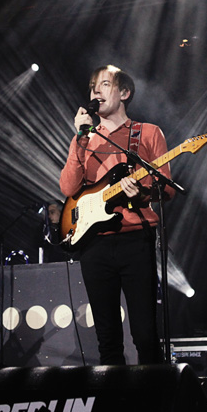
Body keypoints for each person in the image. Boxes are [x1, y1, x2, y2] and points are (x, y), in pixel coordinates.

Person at [59, 65, 174, 365]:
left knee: (146, 336)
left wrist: (145, 192)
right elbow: (69, 187)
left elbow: (168, 189)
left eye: (104, 84)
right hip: (95, 245)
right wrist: (79, 139)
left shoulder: (147, 134)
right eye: (93, 86)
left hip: (136, 240)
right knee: (107, 340)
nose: (95, 91)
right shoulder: (85, 139)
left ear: (125, 93)